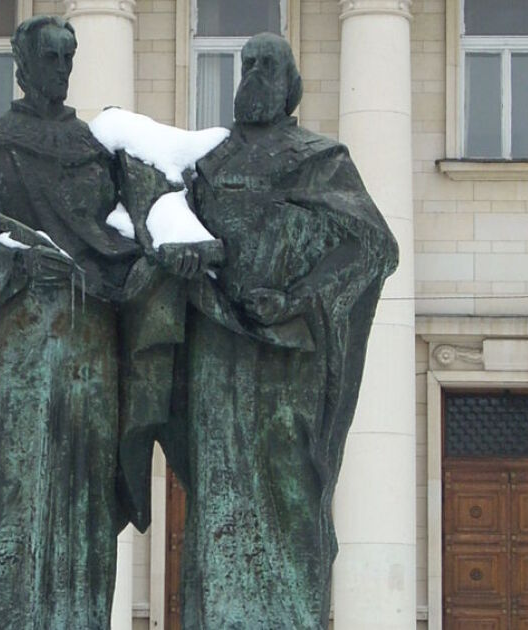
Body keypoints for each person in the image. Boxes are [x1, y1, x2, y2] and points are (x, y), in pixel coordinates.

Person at [159, 33, 399, 629]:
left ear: (291, 83)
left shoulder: (321, 159)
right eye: (248, 64)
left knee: (293, 491)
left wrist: (297, 297)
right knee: (218, 492)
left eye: (269, 65)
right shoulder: (206, 165)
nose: (256, 74)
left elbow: (373, 247)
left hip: (290, 355)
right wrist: (183, 256)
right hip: (218, 349)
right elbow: (168, 228)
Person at [0, 15, 138, 630]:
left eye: (69, 57)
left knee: (86, 503)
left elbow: (130, 238)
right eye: (50, 57)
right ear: (21, 65)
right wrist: (15, 265)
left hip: (91, 351)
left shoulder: (98, 157)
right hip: (20, 352)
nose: (61, 68)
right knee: (17, 495)